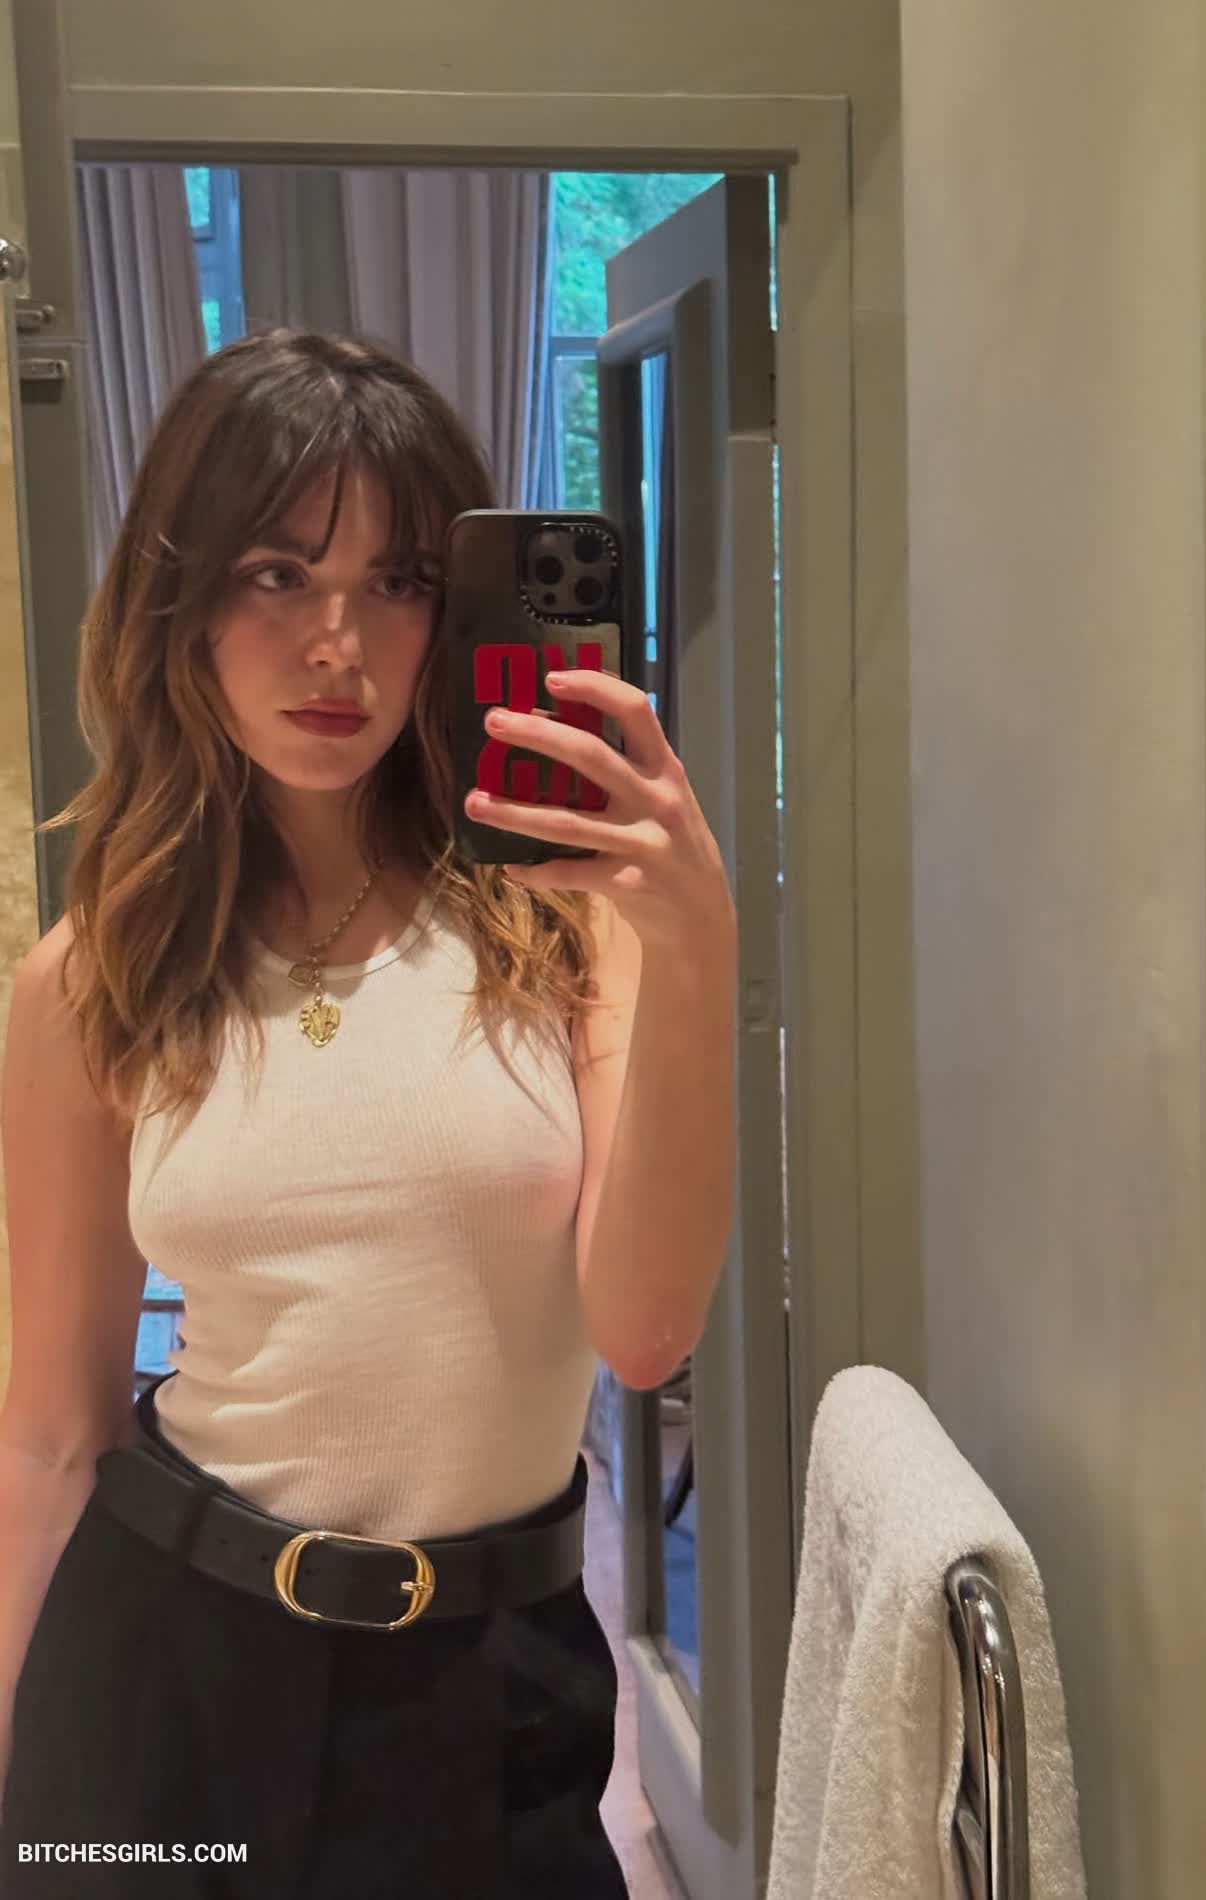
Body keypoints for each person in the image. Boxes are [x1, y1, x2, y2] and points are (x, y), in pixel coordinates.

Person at [0, 328, 738, 1897]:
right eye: (277, 573)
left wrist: (695, 946)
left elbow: (644, 1331)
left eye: (395, 581)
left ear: (453, 611)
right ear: (182, 603)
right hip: (165, 1660)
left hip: (492, 1671)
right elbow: (55, 1433)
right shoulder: (97, 972)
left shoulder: (571, 925)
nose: (337, 645)